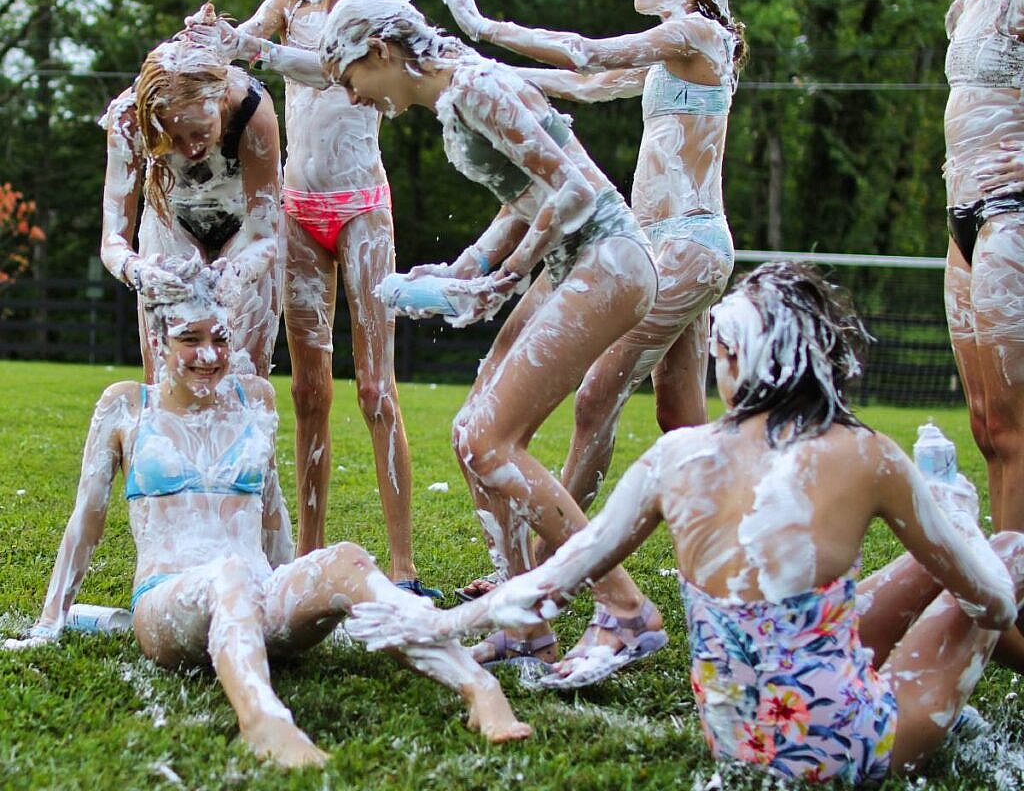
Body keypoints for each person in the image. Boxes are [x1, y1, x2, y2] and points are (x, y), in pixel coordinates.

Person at [345, 261, 1024, 784]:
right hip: (844, 747)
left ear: (730, 358)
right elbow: (989, 598)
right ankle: (952, 531)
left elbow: (548, 581)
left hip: (737, 739)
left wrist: (435, 623)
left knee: (885, 587)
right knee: (1007, 552)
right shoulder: (865, 453)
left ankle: (933, 561)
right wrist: (954, 517)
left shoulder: (675, 457)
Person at [2, 258, 530, 768]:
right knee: (227, 575)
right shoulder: (126, 405)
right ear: (159, 342)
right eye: (191, 340)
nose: (209, 356)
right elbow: (85, 522)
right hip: (168, 602)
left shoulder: (255, 398)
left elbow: (272, 511)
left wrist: (304, 588)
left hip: (257, 590)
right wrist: (50, 621)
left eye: (220, 339)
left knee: (345, 559)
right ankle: (264, 722)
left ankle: (478, 687)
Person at [316, 0, 666, 682]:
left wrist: (501, 279)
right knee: (470, 435)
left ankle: (626, 611)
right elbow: (524, 197)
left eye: (350, 80)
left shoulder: (474, 85)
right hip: (573, 261)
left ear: (380, 52)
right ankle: (522, 624)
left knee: (486, 438)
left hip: (607, 261)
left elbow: (571, 189)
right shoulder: (456, 92)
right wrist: (462, 268)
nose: (353, 99)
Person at [426, 0, 746, 535]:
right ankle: (728, 544)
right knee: (681, 417)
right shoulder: (670, 57)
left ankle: (557, 564)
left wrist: (484, 26)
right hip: (660, 247)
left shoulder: (699, 35)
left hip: (687, 245)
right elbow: (582, 83)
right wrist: (471, 67)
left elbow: (587, 50)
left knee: (597, 395)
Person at [184, 0, 431, 592]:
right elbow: (238, 49)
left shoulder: (380, 14)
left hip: (362, 210)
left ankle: (406, 568)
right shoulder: (289, 6)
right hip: (298, 209)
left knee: (376, 389)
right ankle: (305, 557)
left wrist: (246, 47)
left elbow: (323, 65)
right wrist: (211, 35)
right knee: (310, 392)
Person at [921, 0, 1024, 537]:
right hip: (964, 212)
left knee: (1018, 427)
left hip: (1013, 210)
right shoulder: (973, 1)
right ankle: (1006, 571)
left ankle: (1013, 599)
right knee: (987, 425)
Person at [100, 17, 281, 380]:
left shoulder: (251, 110)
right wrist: (139, 272)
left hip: (245, 224)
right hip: (173, 215)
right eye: (173, 139)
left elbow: (266, 238)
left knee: (245, 372)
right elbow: (113, 240)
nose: (191, 148)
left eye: (201, 132)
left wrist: (238, 274)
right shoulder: (129, 120)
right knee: (167, 373)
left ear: (220, 100)